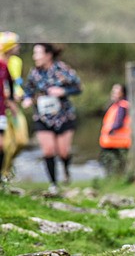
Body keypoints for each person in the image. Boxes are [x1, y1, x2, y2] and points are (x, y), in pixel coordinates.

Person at [21, 43, 82, 194]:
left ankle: (66, 170)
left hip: (64, 116)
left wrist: (63, 91)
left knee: (63, 152)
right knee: (48, 151)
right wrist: (27, 98)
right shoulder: (34, 73)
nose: (34, 57)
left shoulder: (62, 69)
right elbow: (28, 90)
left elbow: (78, 88)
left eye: (37, 53)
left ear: (48, 55)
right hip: (42, 117)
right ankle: (53, 184)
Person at [98, 84, 131, 176]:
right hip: (113, 143)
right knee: (117, 165)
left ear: (122, 93)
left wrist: (110, 131)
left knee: (114, 164)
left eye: (116, 92)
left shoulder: (122, 106)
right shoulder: (116, 105)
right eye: (113, 91)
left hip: (117, 143)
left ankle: (116, 179)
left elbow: (119, 123)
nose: (113, 94)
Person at [0, 34, 18, 182]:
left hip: (1, 110)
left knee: (2, 145)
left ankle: (1, 176)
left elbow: (10, 85)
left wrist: (11, 101)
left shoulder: (4, 66)